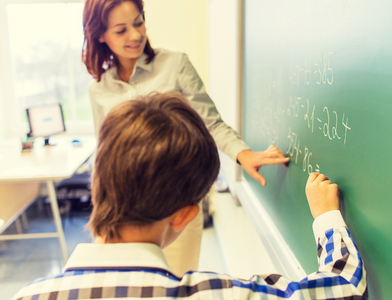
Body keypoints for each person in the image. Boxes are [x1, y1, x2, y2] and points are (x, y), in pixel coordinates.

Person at [13, 92, 367, 300]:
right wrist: (325, 216)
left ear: (98, 183)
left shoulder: (25, 296)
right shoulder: (214, 294)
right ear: (185, 215)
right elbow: (345, 288)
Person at [81, 0, 289, 276]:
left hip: (176, 206)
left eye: (139, 21)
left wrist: (243, 153)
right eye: (121, 30)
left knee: (175, 284)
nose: (135, 35)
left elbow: (209, 123)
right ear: (100, 35)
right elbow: (105, 156)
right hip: (123, 211)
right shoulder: (98, 88)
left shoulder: (175, 64)